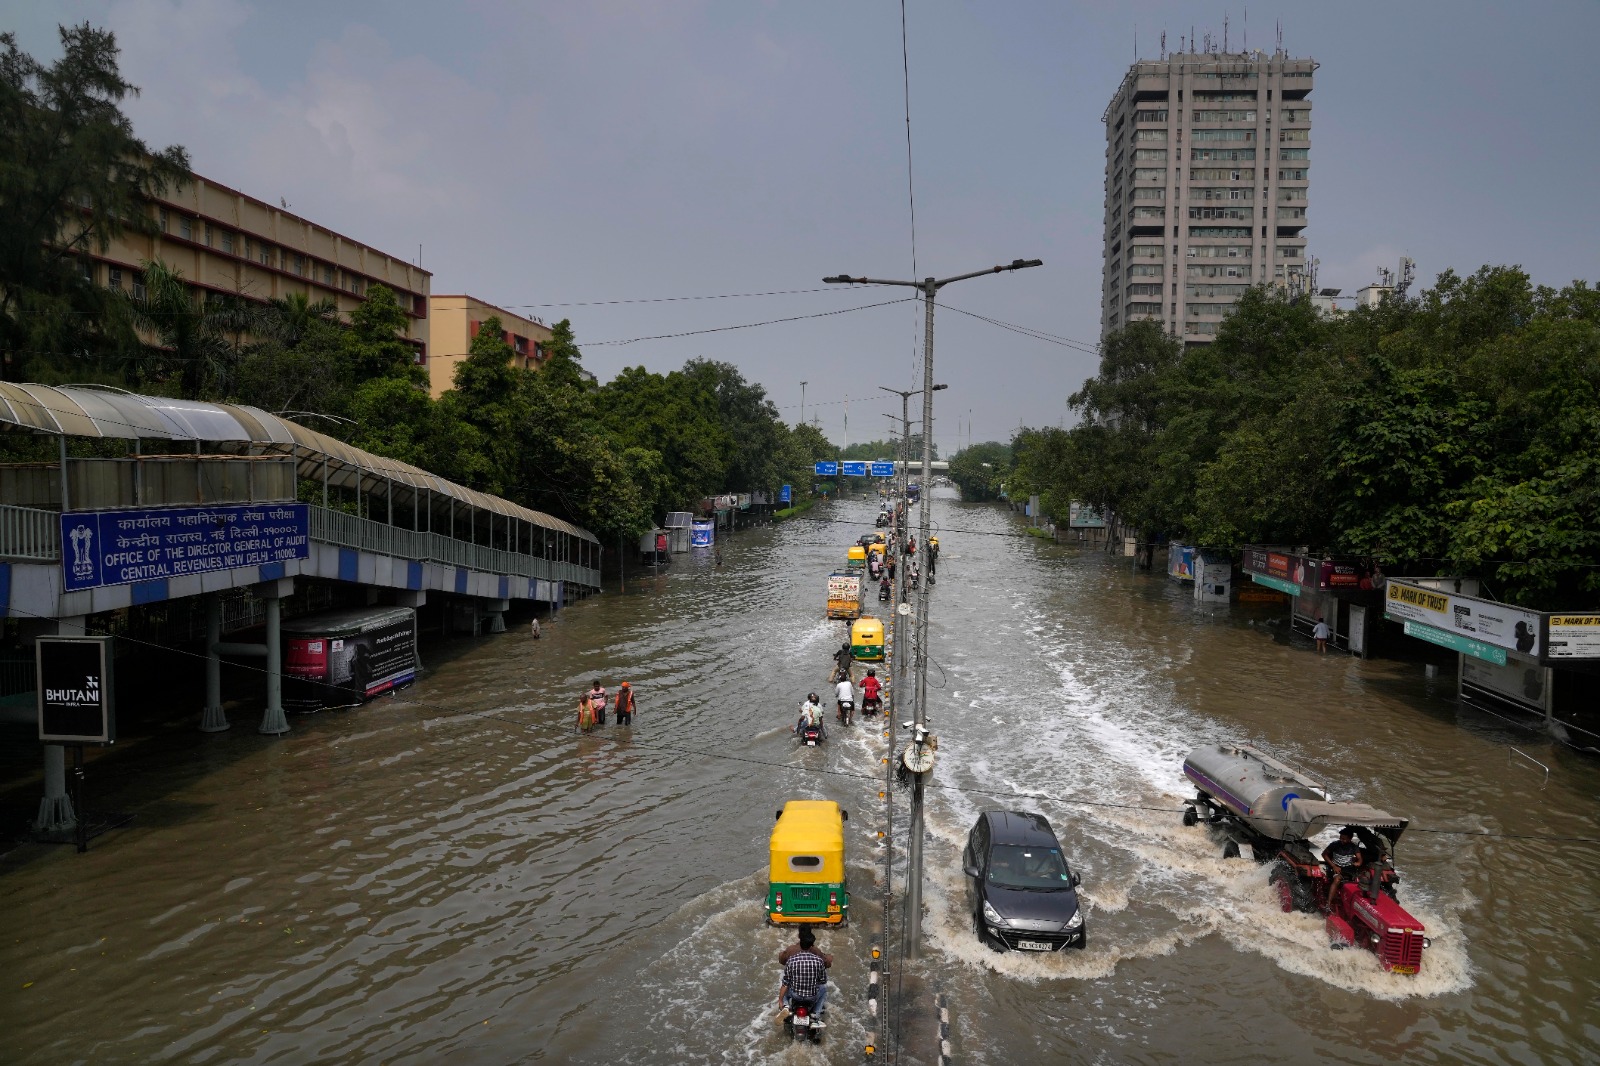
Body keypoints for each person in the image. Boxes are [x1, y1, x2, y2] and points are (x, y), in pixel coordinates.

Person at [778, 927, 829, 1021]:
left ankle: (786, 1006)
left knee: (784, 987)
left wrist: (780, 1000)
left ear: (800, 944)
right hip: (812, 996)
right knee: (824, 989)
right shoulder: (819, 961)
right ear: (811, 946)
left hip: (795, 995)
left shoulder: (792, 960)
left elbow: (785, 983)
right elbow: (823, 980)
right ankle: (816, 1014)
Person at [1322, 827, 1364, 906]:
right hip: (1335, 867)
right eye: (1341, 838)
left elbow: (1360, 859)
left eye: (1344, 839)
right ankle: (1328, 903)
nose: (1341, 840)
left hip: (1348, 869)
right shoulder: (1334, 844)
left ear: (1350, 839)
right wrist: (1333, 866)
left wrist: (1358, 863)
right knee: (1337, 879)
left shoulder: (1354, 846)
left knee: (1360, 880)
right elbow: (1324, 854)